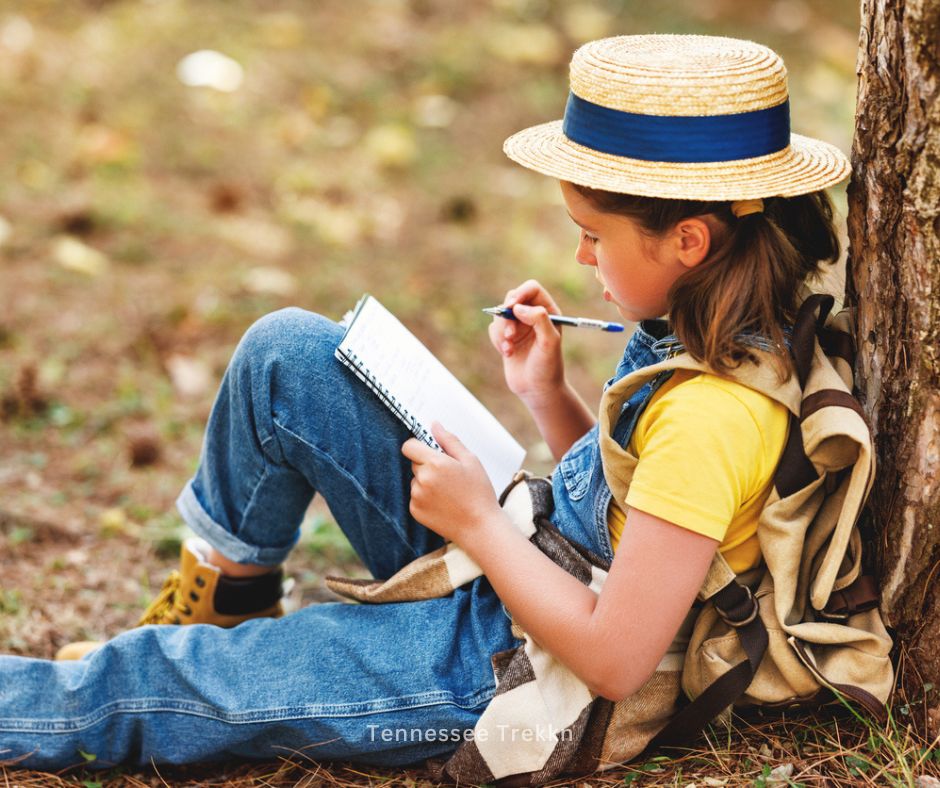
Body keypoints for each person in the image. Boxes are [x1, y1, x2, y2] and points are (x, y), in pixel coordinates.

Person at [0, 34, 849, 771]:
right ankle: (232, 592)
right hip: (520, 574)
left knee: (159, 681)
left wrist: (478, 523)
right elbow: (639, 504)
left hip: (507, 668)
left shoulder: (716, 415)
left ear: (689, 241)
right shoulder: (701, 319)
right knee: (290, 355)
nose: (580, 254)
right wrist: (545, 393)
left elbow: (616, 660)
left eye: (594, 233)